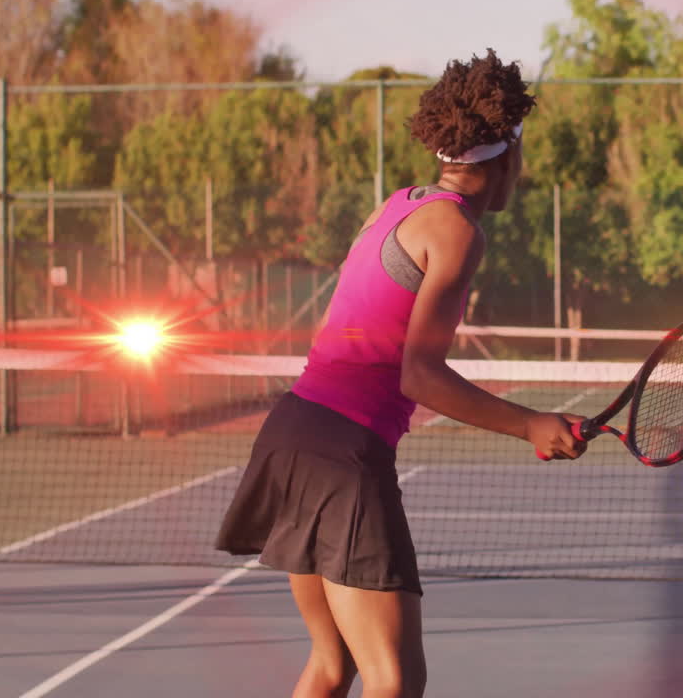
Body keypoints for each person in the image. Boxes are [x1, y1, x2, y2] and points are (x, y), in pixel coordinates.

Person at [215, 50, 586, 698]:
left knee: (332, 667)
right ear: (507, 156)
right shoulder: (457, 231)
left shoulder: (399, 203)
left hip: (292, 434)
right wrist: (530, 423)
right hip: (342, 454)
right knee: (395, 680)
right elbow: (420, 376)